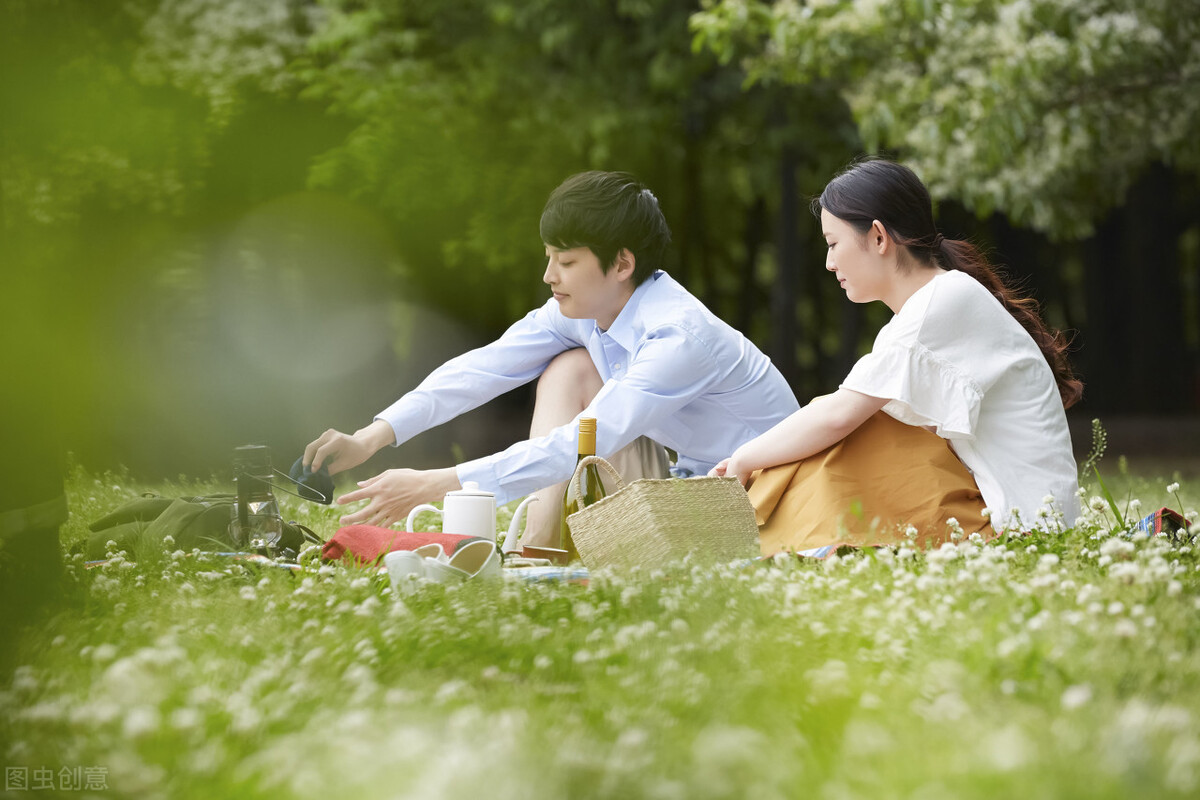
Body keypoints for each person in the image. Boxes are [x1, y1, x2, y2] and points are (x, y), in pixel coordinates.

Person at [305, 170, 799, 545]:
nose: (549, 276)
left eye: (565, 262)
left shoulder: (679, 338)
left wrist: (435, 483)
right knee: (572, 367)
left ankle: (535, 554)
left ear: (622, 264)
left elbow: (576, 445)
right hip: (690, 480)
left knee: (581, 395)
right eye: (549, 258)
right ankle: (538, 549)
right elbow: (484, 367)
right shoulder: (586, 312)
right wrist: (371, 437)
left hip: (759, 501)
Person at [713, 158, 1081, 551]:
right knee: (858, 425)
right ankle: (780, 535)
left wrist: (744, 460)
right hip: (1024, 516)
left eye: (833, 243)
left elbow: (838, 416)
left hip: (1024, 527)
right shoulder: (940, 301)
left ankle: (768, 536)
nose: (829, 262)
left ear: (877, 237)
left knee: (854, 427)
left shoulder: (940, 304)